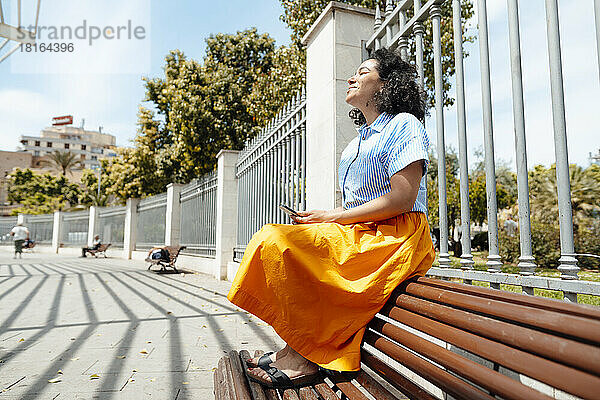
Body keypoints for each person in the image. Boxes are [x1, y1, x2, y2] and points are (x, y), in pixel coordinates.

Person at [227, 48, 435, 389]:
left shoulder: (404, 124)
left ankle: (302, 357)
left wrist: (334, 217)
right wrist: (323, 220)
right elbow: (358, 205)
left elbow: (402, 197)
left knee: (278, 242)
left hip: (397, 237)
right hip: (363, 234)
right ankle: (297, 347)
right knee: (280, 241)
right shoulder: (355, 144)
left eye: (363, 72)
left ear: (385, 86)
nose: (351, 78)